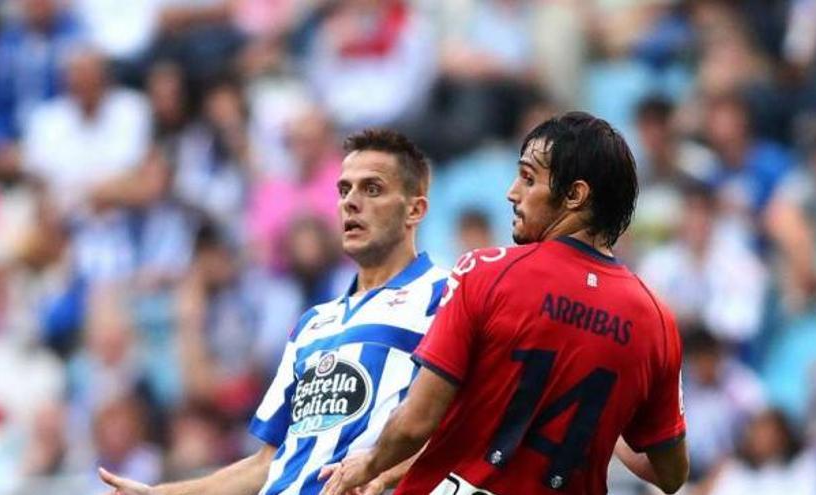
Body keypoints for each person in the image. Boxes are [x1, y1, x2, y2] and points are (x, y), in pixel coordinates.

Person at [321, 112, 689, 495]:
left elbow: (418, 422)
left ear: (575, 195)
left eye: (528, 178)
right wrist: (600, 422)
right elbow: (670, 474)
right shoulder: (657, 321)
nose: (512, 192)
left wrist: (368, 464)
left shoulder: (485, 271)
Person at [98, 128, 448, 495]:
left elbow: (466, 430)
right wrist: (161, 494)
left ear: (415, 209)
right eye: (344, 190)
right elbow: (268, 462)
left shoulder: (444, 294)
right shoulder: (313, 324)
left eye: (372, 189)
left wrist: (385, 476)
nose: (351, 202)